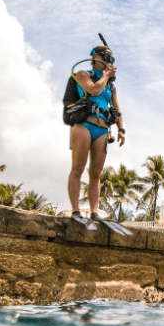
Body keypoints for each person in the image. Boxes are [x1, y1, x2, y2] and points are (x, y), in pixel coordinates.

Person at [67, 45, 126, 221]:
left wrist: (121, 129)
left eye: (110, 57)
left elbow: (116, 106)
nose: (108, 60)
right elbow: (93, 90)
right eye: (105, 56)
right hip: (84, 125)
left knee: (96, 172)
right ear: (95, 57)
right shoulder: (82, 74)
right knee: (78, 167)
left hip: (102, 129)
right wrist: (106, 76)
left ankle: (94, 212)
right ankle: (76, 210)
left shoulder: (111, 85)